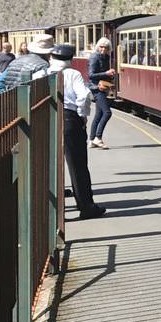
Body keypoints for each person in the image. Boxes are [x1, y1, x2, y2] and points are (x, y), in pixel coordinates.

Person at [50, 44, 105, 219]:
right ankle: (86, 206)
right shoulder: (73, 74)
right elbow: (83, 96)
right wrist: (82, 115)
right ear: (70, 59)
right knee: (77, 165)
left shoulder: (43, 73)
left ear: (51, 58)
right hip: (69, 118)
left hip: (48, 117)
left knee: (49, 164)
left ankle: (52, 210)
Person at [88, 37, 115, 148]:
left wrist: (110, 75)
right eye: (101, 47)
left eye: (106, 47)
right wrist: (106, 73)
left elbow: (104, 74)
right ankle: (98, 138)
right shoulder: (94, 57)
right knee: (107, 113)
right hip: (96, 88)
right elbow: (91, 75)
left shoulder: (106, 57)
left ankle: (91, 140)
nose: (103, 49)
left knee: (98, 115)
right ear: (98, 47)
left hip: (103, 88)